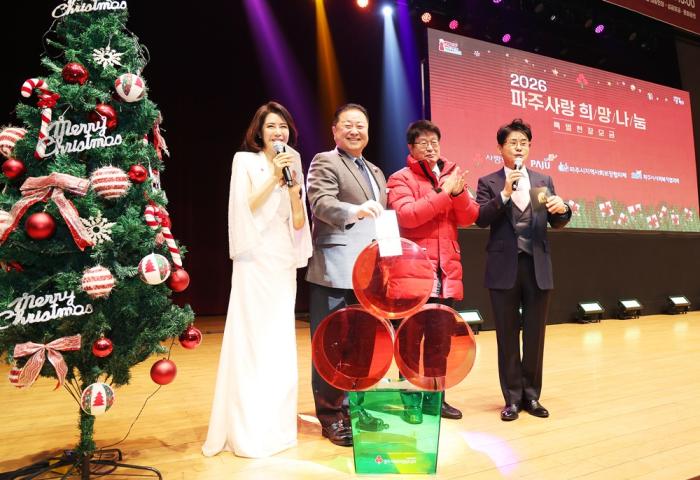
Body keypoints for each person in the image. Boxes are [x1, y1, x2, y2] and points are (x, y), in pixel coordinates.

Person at [202, 101, 312, 458]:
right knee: (252, 337)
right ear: (259, 133)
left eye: (283, 126)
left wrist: (293, 192)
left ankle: (277, 426)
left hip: (282, 258)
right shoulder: (245, 161)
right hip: (254, 256)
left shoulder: (294, 161)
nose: (278, 132)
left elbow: (299, 222)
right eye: (271, 127)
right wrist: (274, 178)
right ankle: (246, 427)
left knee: (278, 339)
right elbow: (243, 206)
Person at [475, 118, 571, 421]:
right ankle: (512, 398)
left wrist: (564, 209)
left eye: (524, 143)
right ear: (500, 148)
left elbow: (556, 221)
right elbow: (481, 218)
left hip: (537, 265)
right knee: (506, 335)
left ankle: (532, 396)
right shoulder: (489, 182)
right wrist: (504, 194)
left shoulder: (543, 180)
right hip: (503, 267)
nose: (519, 148)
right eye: (513, 143)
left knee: (534, 335)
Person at [306, 103, 388, 446]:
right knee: (331, 346)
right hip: (335, 269)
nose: (355, 131)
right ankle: (330, 416)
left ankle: (356, 408)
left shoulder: (376, 171)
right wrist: (356, 210)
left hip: (370, 273)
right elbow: (321, 203)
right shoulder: (325, 161)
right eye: (348, 125)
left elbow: (382, 221)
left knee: (363, 347)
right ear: (335, 130)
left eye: (361, 125)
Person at [387, 119, 479, 424]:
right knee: (410, 341)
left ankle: (436, 399)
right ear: (411, 148)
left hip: (446, 273)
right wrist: (443, 192)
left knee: (441, 341)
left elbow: (469, 217)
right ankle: (411, 401)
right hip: (413, 274)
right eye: (423, 143)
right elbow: (408, 216)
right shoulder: (400, 178)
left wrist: (458, 193)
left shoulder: (453, 176)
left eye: (434, 142)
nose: (430, 147)